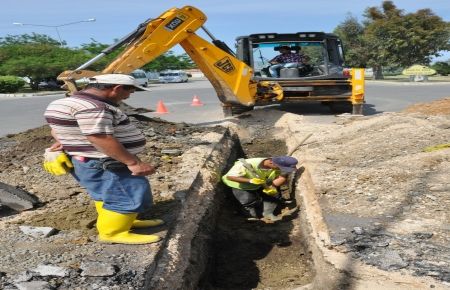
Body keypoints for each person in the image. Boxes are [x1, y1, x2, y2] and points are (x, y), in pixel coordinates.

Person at [43, 74, 163, 245]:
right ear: (117, 88)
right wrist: (134, 163)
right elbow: (100, 138)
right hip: (104, 162)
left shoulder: (63, 102)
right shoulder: (94, 107)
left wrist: (66, 141)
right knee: (128, 194)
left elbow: (57, 129)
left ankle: (124, 221)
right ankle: (113, 232)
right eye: (130, 91)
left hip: (86, 160)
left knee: (107, 194)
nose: (130, 95)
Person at [222, 156, 298, 221]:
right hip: (240, 185)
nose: (280, 170)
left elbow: (282, 177)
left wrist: (272, 188)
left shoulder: (277, 166)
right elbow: (230, 177)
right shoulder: (245, 164)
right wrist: (250, 180)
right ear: (272, 163)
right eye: (280, 168)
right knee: (249, 200)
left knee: (273, 196)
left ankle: (268, 214)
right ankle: (251, 216)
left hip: (260, 183)